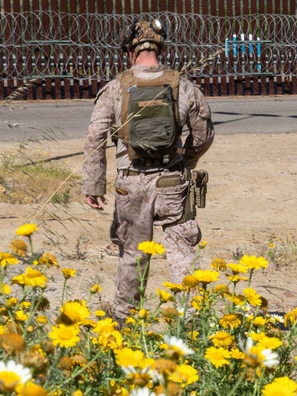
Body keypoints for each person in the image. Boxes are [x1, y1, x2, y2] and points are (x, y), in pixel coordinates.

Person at [82, 19, 214, 321]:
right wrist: (186, 161)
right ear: (162, 48)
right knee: (181, 251)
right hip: (172, 183)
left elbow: (95, 137)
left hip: (131, 186)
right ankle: (191, 321)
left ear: (129, 52)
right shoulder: (184, 87)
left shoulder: (116, 88)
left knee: (133, 255)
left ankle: (126, 320)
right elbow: (203, 135)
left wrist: (94, 186)